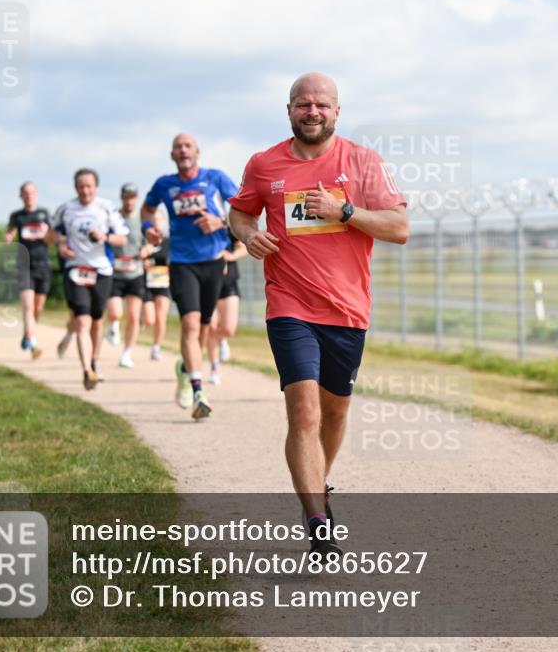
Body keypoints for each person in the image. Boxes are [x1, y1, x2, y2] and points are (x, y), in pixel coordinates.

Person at [229, 73, 409, 556]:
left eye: (322, 105)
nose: (313, 111)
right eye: (303, 104)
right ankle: (316, 523)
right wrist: (248, 237)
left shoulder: (363, 162)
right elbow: (241, 213)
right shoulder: (264, 164)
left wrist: (343, 211)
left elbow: (399, 227)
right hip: (289, 305)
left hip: (348, 309)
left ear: (336, 112)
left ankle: (317, 489)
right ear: (289, 109)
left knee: (334, 413)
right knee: (304, 411)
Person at [141, 133, 237, 420]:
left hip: (214, 260)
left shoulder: (216, 178)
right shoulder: (164, 184)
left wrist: (221, 221)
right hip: (182, 262)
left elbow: (246, 206)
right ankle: (198, 390)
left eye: (187, 146)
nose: (183, 151)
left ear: (197, 152)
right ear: (172, 155)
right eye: (177, 147)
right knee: (190, 323)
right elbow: (147, 208)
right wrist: (149, 227)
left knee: (205, 328)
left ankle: (184, 369)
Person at [54, 168, 128, 389]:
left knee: (96, 320)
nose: (85, 190)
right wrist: (60, 244)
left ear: (96, 187)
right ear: (75, 187)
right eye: (81, 186)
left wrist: (105, 236)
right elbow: (53, 233)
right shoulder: (66, 209)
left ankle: (94, 362)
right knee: (82, 320)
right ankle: (86, 370)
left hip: (101, 270)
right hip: (76, 268)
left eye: (89, 186)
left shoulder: (106, 207)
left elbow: (122, 238)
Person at [105, 183, 150, 368]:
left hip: (136, 272)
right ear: (122, 197)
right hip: (115, 272)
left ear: (136, 198)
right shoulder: (113, 217)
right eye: (126, 197)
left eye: (132, 197)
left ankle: (126, 353)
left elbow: (151, 242)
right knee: (115, 312)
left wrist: (147, 250)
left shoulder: (143, 219)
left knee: (133, 316)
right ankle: (113, 324)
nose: (129, 200)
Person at [5, 181, 51, 359]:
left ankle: (29, 333)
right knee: (28, 305)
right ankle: (32, 340)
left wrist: (47, 233)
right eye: (25, 193)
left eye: (31, 192)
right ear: (20, 195)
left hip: (43, 265)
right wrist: (9, 237)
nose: (29, 195)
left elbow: (52, 237)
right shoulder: (16, 216)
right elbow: (9, 232)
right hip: (24, 265)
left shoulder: (44, 214)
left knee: (38, 307)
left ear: (36, 194)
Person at [203, 230, 247, 384]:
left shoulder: (229, 229)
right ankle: (214, 368)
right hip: (206, 283)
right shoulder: (197, 229)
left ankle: (223, 339)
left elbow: (243, 249)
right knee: (211, 326)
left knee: (229, 328)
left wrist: (229, 256)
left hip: (228, 283)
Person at [141, 206, 171, 360]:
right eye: (153, 220)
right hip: (146, 284)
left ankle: (156, 347)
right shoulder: (144, 240)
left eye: (159, 219)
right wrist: (143, 258)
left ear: (164, 222)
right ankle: (142, 319)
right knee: (149, 319)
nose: (156, 223)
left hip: (163, 283)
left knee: (161, 317)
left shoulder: (169, 242)